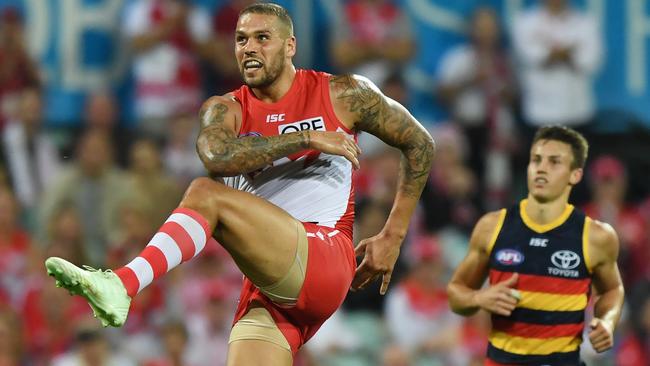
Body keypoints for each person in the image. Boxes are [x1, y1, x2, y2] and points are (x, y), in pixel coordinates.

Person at [44, 3, 435, 366]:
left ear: (290, 45)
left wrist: (393, 236)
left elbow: (420, 143)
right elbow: (216, 156)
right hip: (271, 287)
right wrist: (305, 139)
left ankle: (123, 284)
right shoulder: (224, 110)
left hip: (323, 255)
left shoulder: (343, 94)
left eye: (262, 38)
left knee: (204, 195)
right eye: (241, 39)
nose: (250, 47)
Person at [447, 126, 624, 365]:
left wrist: (607, 320)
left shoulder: (595, 236)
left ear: (575, 175)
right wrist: (479, 299)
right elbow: (456, 293)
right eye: (536, 160)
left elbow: (612, 290)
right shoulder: (492, 227)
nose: (541, 168)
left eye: (554, 162)